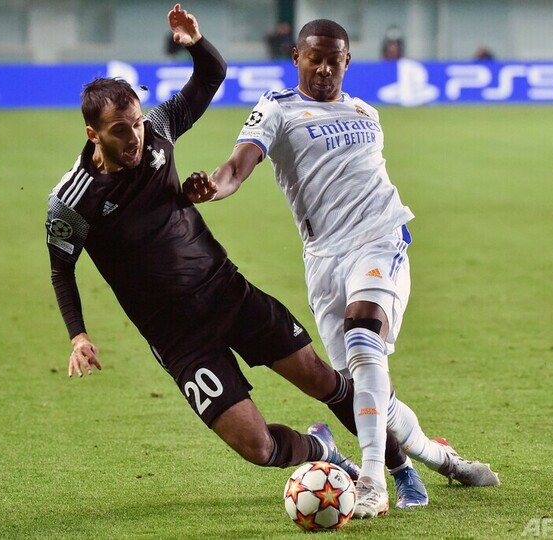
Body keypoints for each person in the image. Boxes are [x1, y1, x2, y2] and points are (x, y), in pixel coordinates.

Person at [183, 18, 500, 519]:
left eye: (335, 60)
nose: (325, 68)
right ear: (297, 57)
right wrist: (214, 187)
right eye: (315, 58)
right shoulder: (278, 108)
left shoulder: (366, 112)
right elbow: (237, 166)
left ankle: (372, 480)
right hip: (324, 259)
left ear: (347, 61)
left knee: (363, 337)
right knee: (366, 392)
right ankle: (440, 457)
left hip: (380, 238)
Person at [46, 4, 370, 489]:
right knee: (259, 448)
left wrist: (195, 43)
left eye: (136, 123)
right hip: (177, 336)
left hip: (226, 292)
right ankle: (320, 448)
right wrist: (78, 335)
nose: (134, 137)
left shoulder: (158, 129)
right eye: (120, 130)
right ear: (93, 134)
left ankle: (394, 466)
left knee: (324, 379)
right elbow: (61, 270)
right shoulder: (71, 200)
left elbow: (212, 75)